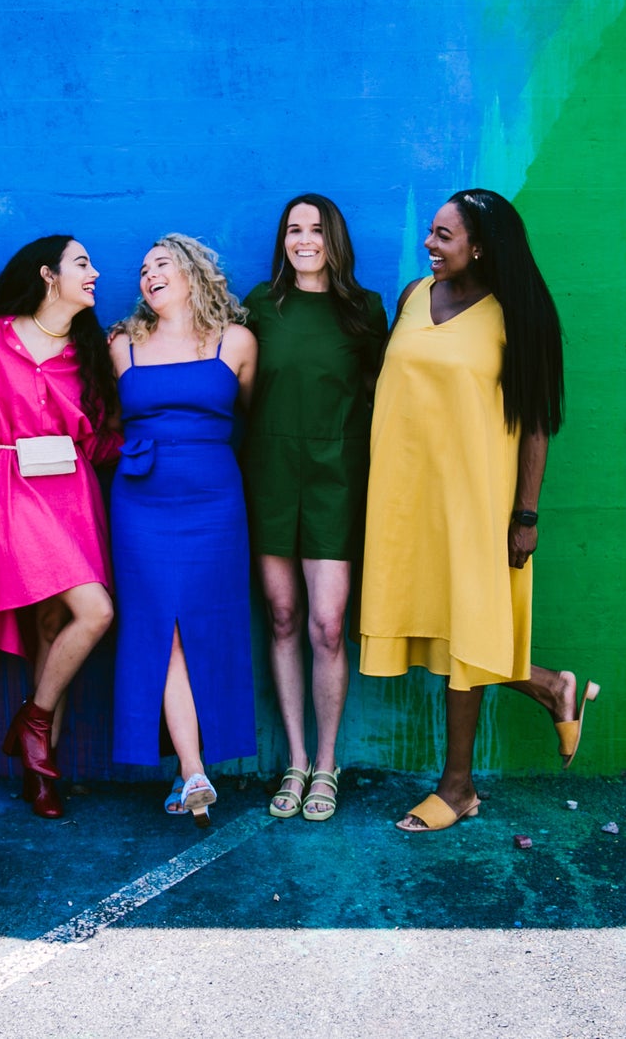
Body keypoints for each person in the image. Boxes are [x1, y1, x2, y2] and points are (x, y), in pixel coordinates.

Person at [359, 189, 599, 833]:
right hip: (407, 501)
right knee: (440, 629)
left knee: (467, 632)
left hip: (477, 502)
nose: (430, 246)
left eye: (444, 236)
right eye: (431, 233)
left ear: (480, 246)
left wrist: (526, 515)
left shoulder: (516, 316)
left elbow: (537, 422)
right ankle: (551, 687)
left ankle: (458, 786)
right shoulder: (413, 297)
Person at [100, 234, 257, 826]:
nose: (148, 275)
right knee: (157, 629)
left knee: (202, 630)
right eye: (142, 269)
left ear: (193, 273)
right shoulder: (123, 344)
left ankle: (187, 770)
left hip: (215, 499)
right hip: (142, 502)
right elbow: (107, 418)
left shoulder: (237, 341)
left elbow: (249, 414)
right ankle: (193, 769)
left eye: (161, 264)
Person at [243, 195, 387, 822]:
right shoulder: (258, 307)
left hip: (337, 478)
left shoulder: (365, 309)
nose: (305, 240)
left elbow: (389, 395)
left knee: (327, 625)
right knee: (280, 616)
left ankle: (327, 763)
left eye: (316, 229)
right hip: (271, 473)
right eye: (294, 230)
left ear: (335, 239)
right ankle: (296, 760)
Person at [0, 236, 121, 819]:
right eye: (82, 264)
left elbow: (108, 433)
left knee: (55, 621)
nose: (94, 273)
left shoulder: (94, 348)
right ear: (48, 275)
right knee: (97, 611)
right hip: (12, 483)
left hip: (73, 492)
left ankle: (41, 767)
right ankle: (35, 725)